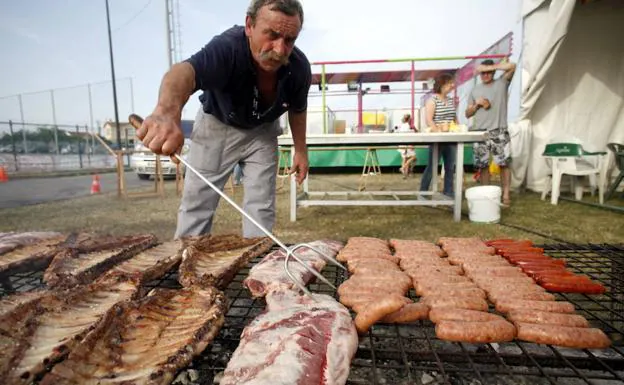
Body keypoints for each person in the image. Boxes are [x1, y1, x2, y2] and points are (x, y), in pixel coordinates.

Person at [135, 0, 311, 238]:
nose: (280, 49)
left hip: (263, 131)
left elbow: (298, 108)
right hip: (216, 126)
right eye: (272, 34)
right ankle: (185, 264)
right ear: (249, 25)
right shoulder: (227, 47)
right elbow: (185, 72)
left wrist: (301, 150)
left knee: (261, 209)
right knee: (197, 203)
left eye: (289, 40)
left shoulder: (299, 68)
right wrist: (166, 112)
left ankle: (256, 270)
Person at [465, 58, 516, 206]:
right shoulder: (474, 90)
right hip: (479, 132)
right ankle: (486, 196)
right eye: (483, 73)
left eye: (488, 72)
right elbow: (467, 114)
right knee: (483, 166)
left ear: (493, 71)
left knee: (504, 164)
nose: (485, 75)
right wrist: (476, 105)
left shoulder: (501, 83)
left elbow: (512, 66)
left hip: (499, 130)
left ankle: (506, 194)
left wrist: (488, 66)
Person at [420, 73, 457, 197]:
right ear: (442, 84)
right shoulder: (432, 100)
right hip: (437, 138)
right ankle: (423, 192)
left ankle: (448, 192)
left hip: (451, 138)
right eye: (449, 83)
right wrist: (438, 133)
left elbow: (454, 117)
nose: (452, 85)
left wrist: (458, 128)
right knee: (432, 166)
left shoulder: (451, 100)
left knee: (450, 167)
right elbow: (429, 120)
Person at [396, 114, 416, 178]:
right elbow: (411, 135)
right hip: (407, 144)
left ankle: (405, 174)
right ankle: (403, 168)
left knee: (404, 159)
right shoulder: (408, 126)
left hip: (401, 144)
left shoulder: (401, 126)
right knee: (413, 157)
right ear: (409, 119)